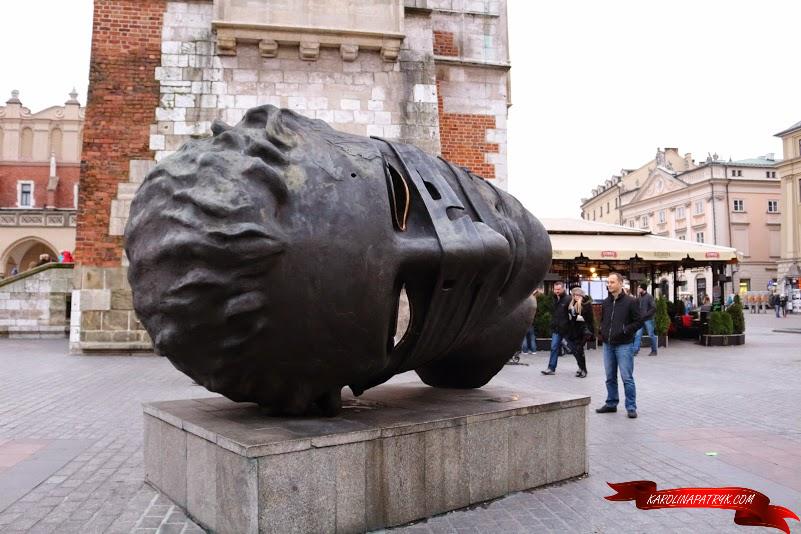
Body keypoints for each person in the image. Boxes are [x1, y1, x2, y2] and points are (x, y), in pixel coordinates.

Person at [596, 272, 643, 419]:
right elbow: (603, 320)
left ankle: (631, 407)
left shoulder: (631, 301)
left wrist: (625, 330)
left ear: (621, 283)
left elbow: (638, 322)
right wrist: (601, 331)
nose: (609, 285)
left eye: (612, 282)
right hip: (608, 344)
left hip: (624, 345)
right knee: (610, 377)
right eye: (608, 282)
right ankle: (611, 403)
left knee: (626, 377)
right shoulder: (606, 302)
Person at [564, 287, 594, 378]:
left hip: (583, 331)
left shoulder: (586, 305)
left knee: (579, 350)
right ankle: (580, 367)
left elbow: (590, 319)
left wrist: (582, 318)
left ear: (581, 295)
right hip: (573, 331)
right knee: (575, 351)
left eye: (578, 295)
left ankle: (584, 370)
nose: (576, 296)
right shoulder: (571, 304)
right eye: (574, 295)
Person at [541, 281, 570, 375]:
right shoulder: (553, 299)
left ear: (563, 289)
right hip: (556, 329)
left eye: (559, 289)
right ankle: (551, 368)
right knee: (554, 348)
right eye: (555, 289)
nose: (557, 291)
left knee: (575, 349)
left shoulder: (568, 299)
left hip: (567, 329)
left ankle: (582, 368)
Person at [632, 282, 657, 357]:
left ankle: (654, 351)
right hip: (640, 320)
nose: (638, 289)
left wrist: (645, 315)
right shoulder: (639, 297)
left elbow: (653, 308)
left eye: (639, 288)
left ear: (643, 289)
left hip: (648, 319)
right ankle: (635, 350)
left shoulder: (649, 297)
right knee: (638, 335)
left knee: (651, 335)